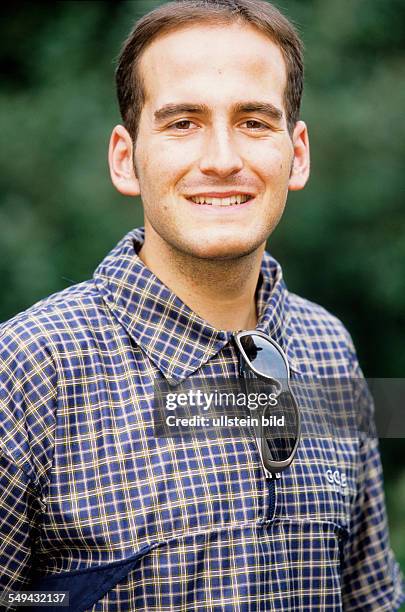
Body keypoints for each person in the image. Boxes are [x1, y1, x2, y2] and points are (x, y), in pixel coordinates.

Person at [0, 0, 403, 610]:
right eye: (182, 122)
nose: (221, 159)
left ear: (297, 154)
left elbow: (368, 598)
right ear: (124, 158)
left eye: (254, 122)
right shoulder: (28, 370)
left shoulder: (329, 348)